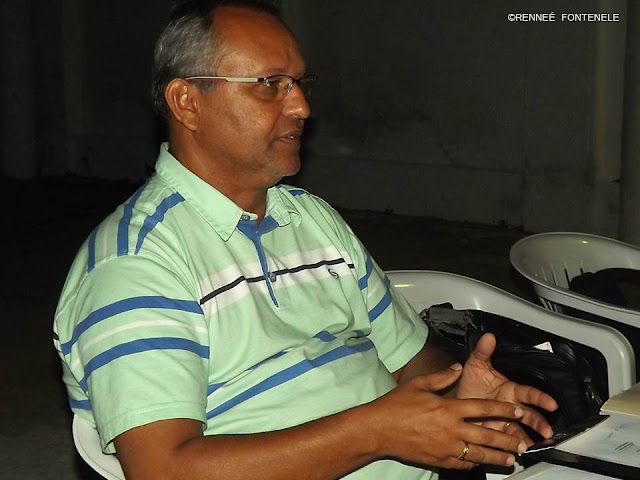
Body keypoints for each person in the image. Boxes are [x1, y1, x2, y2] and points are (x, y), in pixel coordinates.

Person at [54, 1, 558, 479]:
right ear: (187, 102)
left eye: (298, 83)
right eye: (270, 85)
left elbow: (411, 359)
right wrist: (375, 433)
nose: (301, 106)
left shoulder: (311, 219)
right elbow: (164, 470)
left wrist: (459, 395)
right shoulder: (135, 263)